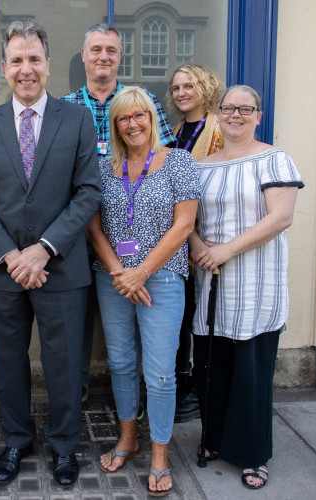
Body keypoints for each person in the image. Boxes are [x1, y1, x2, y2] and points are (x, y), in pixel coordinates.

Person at [0, 20, 101, 488]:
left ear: (47, 65)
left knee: (63, 364)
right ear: (4, 68)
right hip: (5, 272)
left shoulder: (77, 118)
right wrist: (10, 254)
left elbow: (88, 192)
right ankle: (16, 440)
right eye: (17, 60)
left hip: (61, 268)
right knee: (8, 362)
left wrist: (42, 250)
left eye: (35, 59)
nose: (27, 69)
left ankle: (65, 447)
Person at [190, 85, 303, 490]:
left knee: (250, 375)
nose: (235, 115)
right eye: (228, 108)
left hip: (256, 280)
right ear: (217, 115)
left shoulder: (274, 158)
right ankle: (214, 440)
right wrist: (201, 247)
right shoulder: (201, 166)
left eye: (245, 108)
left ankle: (253, 454)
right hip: (212, 281)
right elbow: (188, 221)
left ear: (258, 114)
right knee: (211, 368)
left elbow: (280, 218)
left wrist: (225, 251)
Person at [88, 86, 199, 497]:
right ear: (114, 124)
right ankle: (127, 438)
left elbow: (184, 225)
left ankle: (159, 455)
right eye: (123, 117)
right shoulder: (102, 168)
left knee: (160, 373)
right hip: (112, 276)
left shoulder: (179, 162)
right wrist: (121, 271)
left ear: (153, 119)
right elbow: (93, 226)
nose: (132, 124)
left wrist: (142, 272)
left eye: (140, 116)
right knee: (119, 363)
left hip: (163, 278)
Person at [62, 25, 177, 404]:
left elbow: (165, 163)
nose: (103, 57)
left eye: (111, 50)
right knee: (77, 326)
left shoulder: (142, 103)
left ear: (120, 56)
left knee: (143, 322)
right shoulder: (63, 107)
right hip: (79, 235)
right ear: (84, 56)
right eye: (95, 49)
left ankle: (139, 403)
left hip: (136, 239)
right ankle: (75, 401)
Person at [165, 63, 225, 423]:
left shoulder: (217, 130)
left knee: (199, 316)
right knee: (181, 314)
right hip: (179, 239)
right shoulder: (175, 131)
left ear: (205, 88)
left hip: (207, 238)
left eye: (189, 86)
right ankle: (178, 383)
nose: (182, 93)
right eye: (176, 88)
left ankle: (191, 387)